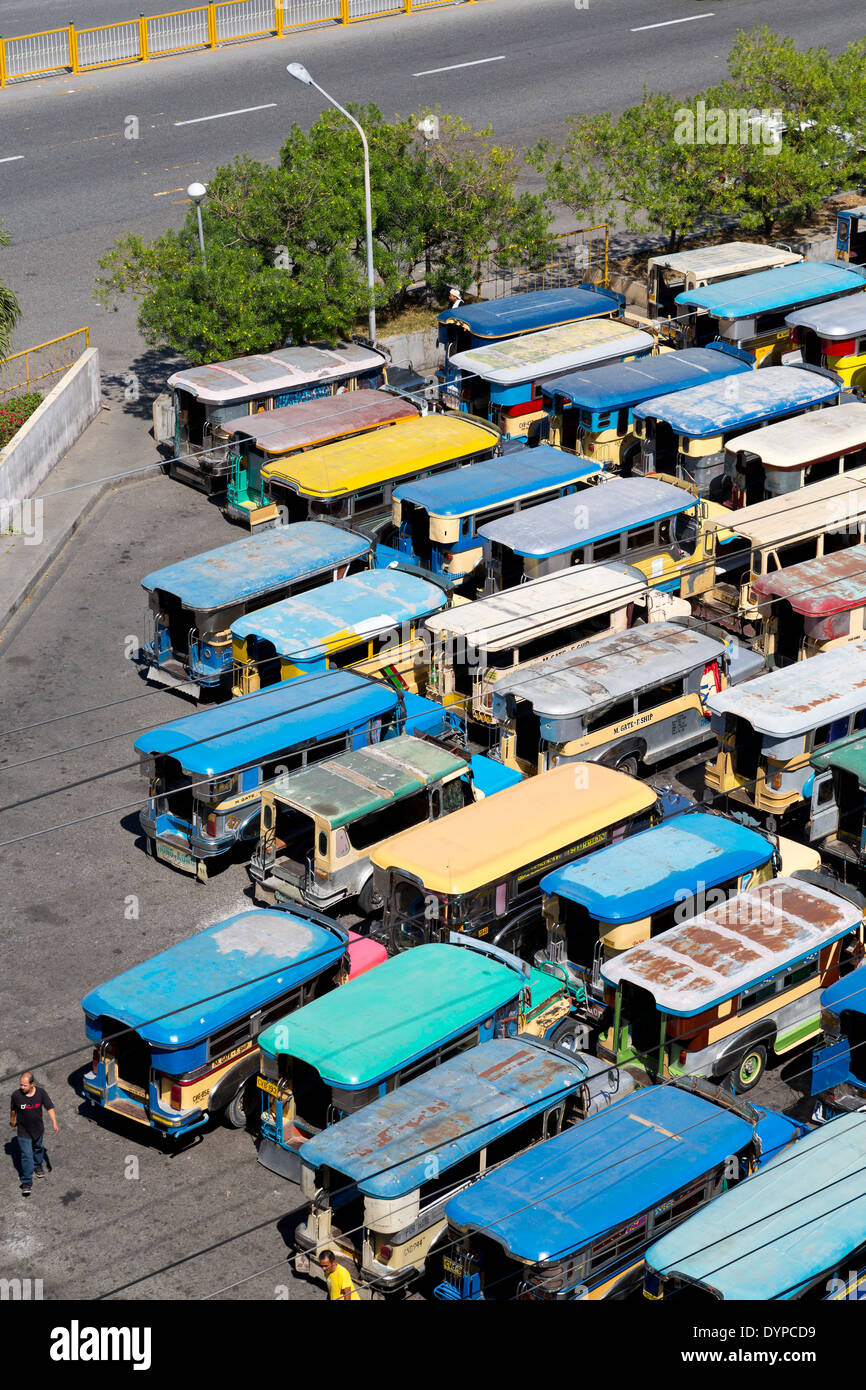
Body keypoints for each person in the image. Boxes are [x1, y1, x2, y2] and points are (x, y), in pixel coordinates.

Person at [10, 1072, 57, 1196]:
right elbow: (13, 1109)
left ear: (32, 1084)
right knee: (27, 1156)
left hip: (38, 1130)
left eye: (25, 1085)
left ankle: (38, 1166)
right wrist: (12, 1119)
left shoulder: (41, 1093)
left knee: (38, 1148)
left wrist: (54, 1122)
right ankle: (26, 1182)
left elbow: (49, 1107)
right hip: (23, 1131)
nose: (22, 1087)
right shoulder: (16, 1095)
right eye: (21, 1085)